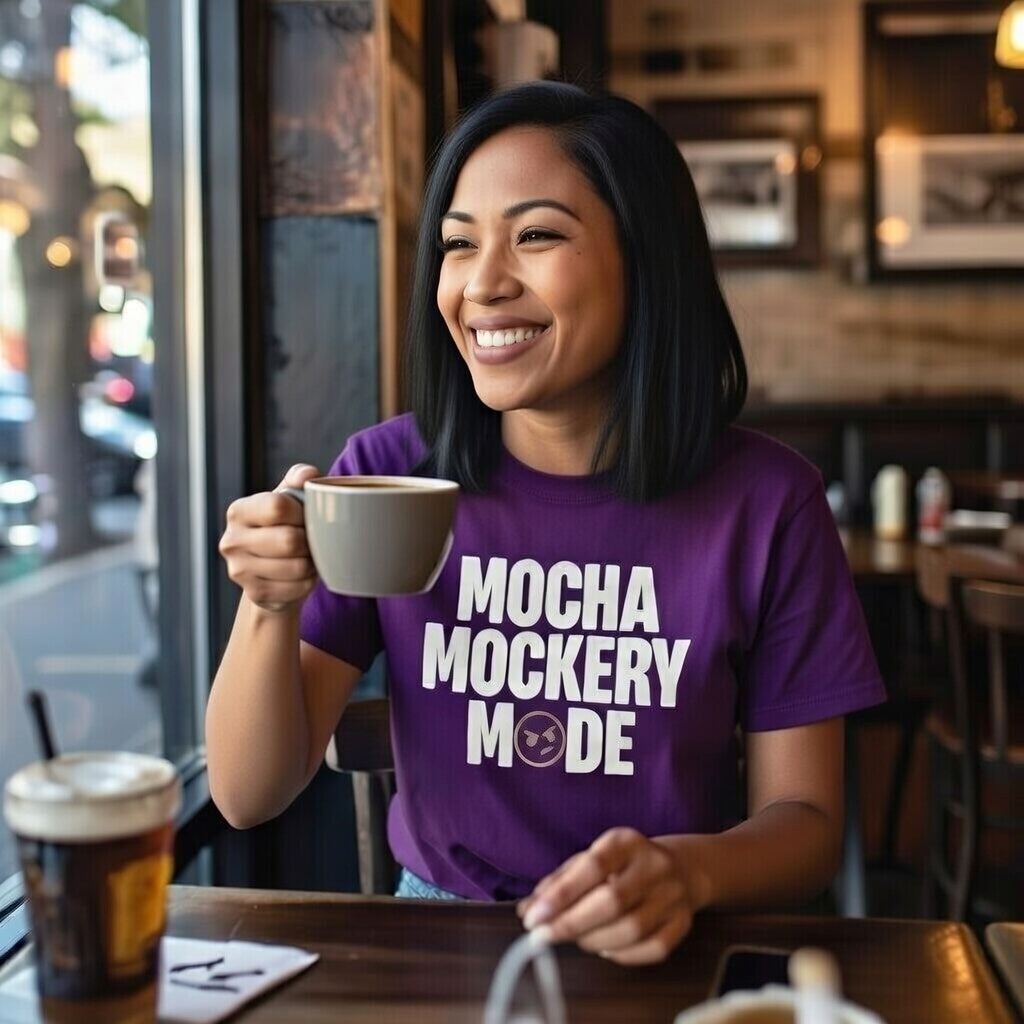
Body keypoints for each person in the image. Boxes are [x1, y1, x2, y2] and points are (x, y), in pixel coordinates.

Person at [208, 81, 886, 965]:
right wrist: (268, 604)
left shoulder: (768, 503)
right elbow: (247, 795)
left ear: (645, 259)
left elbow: (806, 821)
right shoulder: (385, 476)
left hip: (670, 938)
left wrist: (685, 874)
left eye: (535, 235)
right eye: (459, 244)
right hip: (439, 940)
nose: (483, 284)